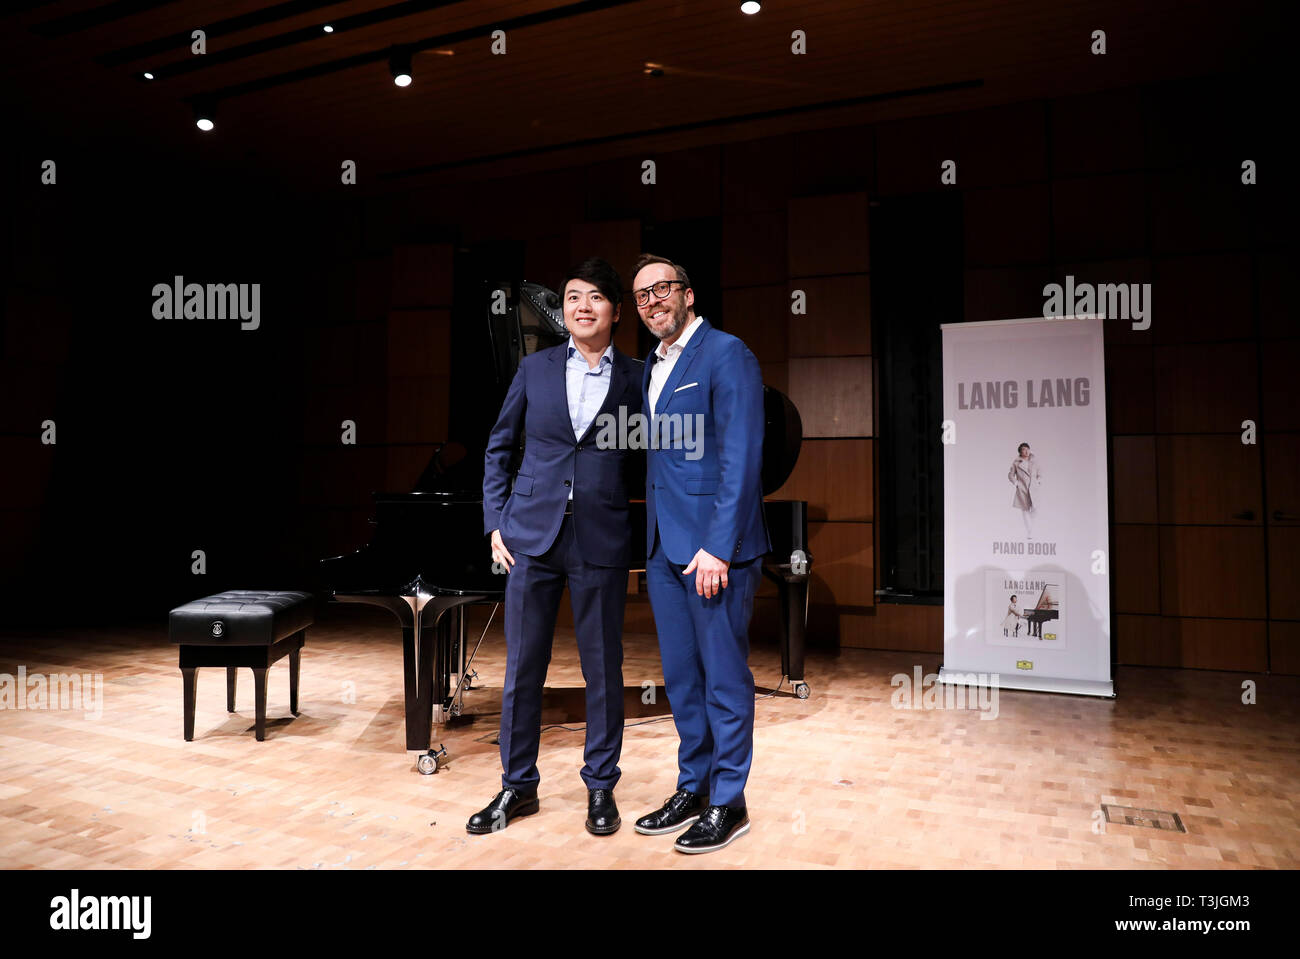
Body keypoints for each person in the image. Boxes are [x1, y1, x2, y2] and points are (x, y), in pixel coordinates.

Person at [470, 257, 643, 837]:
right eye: (573, 297)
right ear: (563, 309)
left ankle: (601, 788)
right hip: (530, 539)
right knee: (522, 668)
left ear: (616, 312)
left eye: (595, 297)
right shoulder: (535, 368)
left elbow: (660, 462)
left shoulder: (638, 379)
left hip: (601, 539)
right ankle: (517, 787)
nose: (582, 306)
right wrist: (497, 522)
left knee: (603, 668)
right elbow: (498, 448)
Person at [630, 253, 769, 854]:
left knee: (723, 680)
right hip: (664, 548)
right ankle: (694, 785)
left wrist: (719, 546)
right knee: (682, 681)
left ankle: (728, 800)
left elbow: (741, 457)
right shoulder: (651, 368)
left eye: (661, 289)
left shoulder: (726, 353)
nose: (652, 301)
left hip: (715, 552)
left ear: (687, 294)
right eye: (640, 296)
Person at [1008, 442, 1042, 538]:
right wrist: (1016, 483)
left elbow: (1040, 472)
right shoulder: (1016, 463)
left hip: (1034, 489)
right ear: (1020, 452)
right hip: (1023, 490)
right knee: (1025, 511)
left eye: (1028, 449)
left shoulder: (1034, 461)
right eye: (1024, 449)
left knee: (1036, 509)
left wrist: (1038, 481)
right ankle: (1030, 532)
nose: (1026, 451)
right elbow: (1010, 475)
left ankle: (1031, 529)